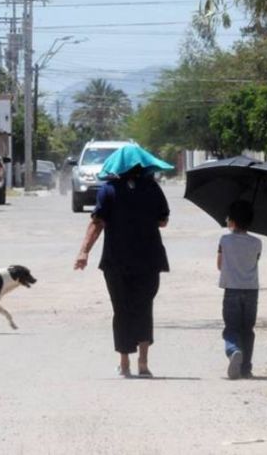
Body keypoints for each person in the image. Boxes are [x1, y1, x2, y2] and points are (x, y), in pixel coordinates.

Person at [74, 160, 170, 378]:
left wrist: (84, 252)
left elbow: (97, 223)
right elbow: (163, 221)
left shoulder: (108, 190)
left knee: (121, 309)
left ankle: (125, 363)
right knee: (144, 307)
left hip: (116, 260)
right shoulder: (153, 188)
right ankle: (143, 363)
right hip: (149, 258)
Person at [217, 200, 262, 380]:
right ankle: (246, 368)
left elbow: (219, 265)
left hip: (231, 290)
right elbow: (254, 262)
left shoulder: (224, 240)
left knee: (231, 328)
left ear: (232, 221)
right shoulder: (257, 242)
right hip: (251, 290)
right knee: (248, 329)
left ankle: (233, 350)